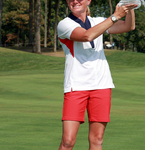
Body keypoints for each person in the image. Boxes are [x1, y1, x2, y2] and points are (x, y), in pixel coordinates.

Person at [57, 0, 137, 149]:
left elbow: (128, 26)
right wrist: (114, 16)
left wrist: (129, 7)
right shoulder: (64, 24)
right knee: (68, 142)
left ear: (88, 1)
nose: (75, 1)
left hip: (101, 85)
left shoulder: (98, 21)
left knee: (97, 140)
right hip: (76, 86)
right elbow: (87, 36)